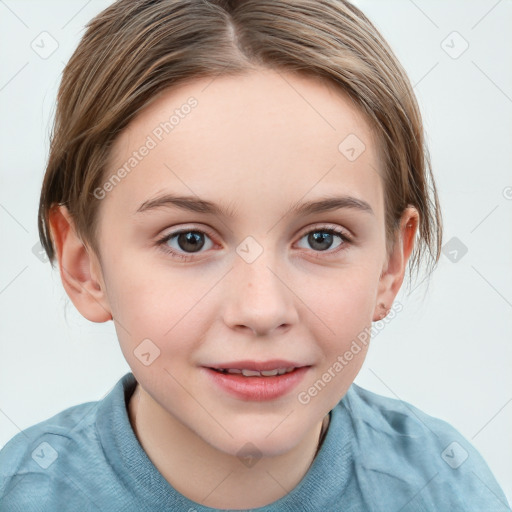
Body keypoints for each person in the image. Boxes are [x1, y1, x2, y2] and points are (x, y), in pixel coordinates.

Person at [0, 0, 509, 510]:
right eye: (189, 240)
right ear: (84, 265)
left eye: (322, 238)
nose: (262, 310)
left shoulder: (447, 490)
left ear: (390, 265)